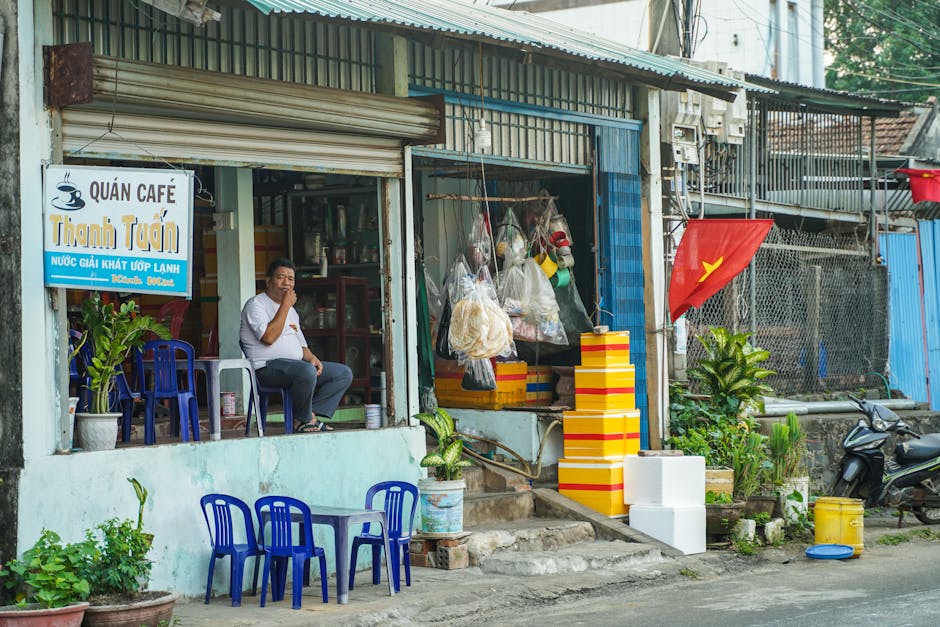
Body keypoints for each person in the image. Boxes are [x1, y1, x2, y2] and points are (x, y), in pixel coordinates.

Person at [240, 258, 352, 432]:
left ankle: (306, 416)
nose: (286, 283)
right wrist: (284, 305)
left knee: (342, 374)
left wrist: (312, 358)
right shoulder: (256, 305)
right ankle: (304, 419)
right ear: (268, 281)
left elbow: (302, 346)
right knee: (305, 371)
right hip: (266, 369)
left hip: (296, 368)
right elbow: (268, 337)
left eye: (291, 279)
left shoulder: (291, 311)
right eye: (281, 277)